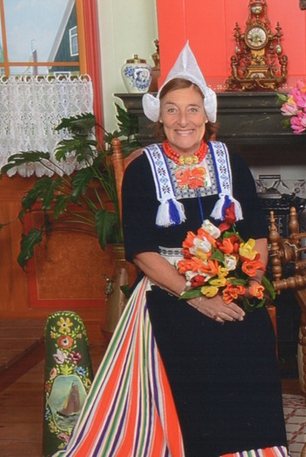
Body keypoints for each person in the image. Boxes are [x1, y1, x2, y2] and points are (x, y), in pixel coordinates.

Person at [56, 43, 289, 457]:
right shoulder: (143, 169)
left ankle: (253, 448)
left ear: (208, 114)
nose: (184, 120)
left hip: (231, 276)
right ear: (158, 118)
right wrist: (198, 298)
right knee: (196, 338)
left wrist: (251, 280)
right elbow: (143, 251)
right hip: (169, 284)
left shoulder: (232, 161)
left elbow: (254, 233)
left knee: (251, 333)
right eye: (172, 110)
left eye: (193, 109)